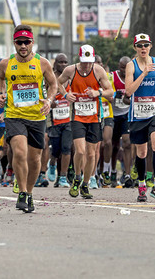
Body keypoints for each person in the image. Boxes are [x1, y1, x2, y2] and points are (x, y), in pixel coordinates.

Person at [0, 25, 58, 212]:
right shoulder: (6, 63)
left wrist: (48, 100)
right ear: (14, 43)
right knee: (19, 152)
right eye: (19, 42)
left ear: (32, 43)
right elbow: (0, 78)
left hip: (37, 116)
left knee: (34, 159)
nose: (23, 46)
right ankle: (22, 191)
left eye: (26, 42)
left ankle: (29, 193)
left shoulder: (43, 63)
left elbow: (53, 84)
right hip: (14, 115)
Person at [57, 45, 113, 199]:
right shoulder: (70, 70)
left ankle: (86, 184)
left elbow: (110, 92)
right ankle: (77, 177)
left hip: (94, 117)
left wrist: (98, 92)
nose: (87, 65)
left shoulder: (98, 71)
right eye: (84, 62)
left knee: (91, 154)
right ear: (79, 59)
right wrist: (65, 94)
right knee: (80, 151)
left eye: (89, 62)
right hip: (78, 117)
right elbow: (57, 82)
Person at [125, 33, 155, 202]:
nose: (143, 48)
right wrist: (143, 73)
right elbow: (129, 91)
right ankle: (142, 186)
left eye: (146, 45)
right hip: (137, 114)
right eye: (140, 45)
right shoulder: (132, 65)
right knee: (142, 152)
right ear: (135, 48)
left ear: (151, 46)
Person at [47, 53, 71, 188]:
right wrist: (50, 102)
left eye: (65, 62)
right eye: (60, 62)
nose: (63, 65)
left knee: (66, 148)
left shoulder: (71, 77)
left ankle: (62, 177)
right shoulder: (50, 77)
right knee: (56, 150)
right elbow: (43, 93)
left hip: (68, 118)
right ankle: (52, 163)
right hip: (54, 119)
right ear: (55, 63)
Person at [111, 57, 133, 188]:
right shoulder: (112, 76)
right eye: (121, 67)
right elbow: (106, 90)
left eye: (126, 67)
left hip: (126, 114)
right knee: (113, 145)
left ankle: (127, 174)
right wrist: (115, 94)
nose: (124, 70)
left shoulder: (134, 77)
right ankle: (113, 171)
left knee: (127, 142)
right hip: (113, 114)